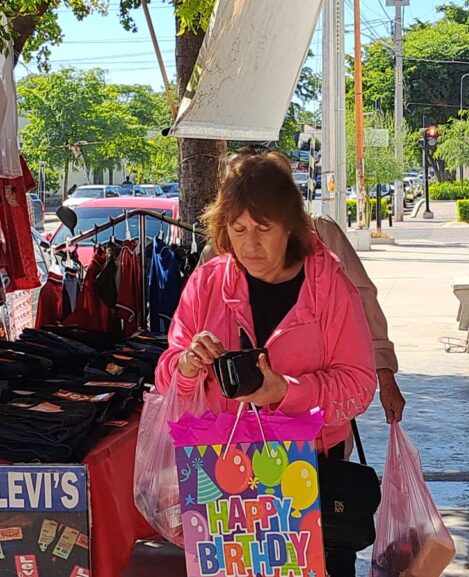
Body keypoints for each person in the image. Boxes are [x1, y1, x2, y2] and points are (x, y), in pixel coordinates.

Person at [155, 148, 378, 577]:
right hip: (223, 484)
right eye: (237, 229)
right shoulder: (207, 283)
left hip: (311, 474)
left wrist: (286, 393)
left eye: (263, 228)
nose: (250, 244)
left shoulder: (328, 286)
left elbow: (357, 386)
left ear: (289, 227)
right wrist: (186, 367)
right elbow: (168, 377)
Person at [199, 147, 406, 423]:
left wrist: (385, 376)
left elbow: (363, 301)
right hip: (238, 427)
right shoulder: (217, 252)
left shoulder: (321, 233)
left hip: (316, 424)